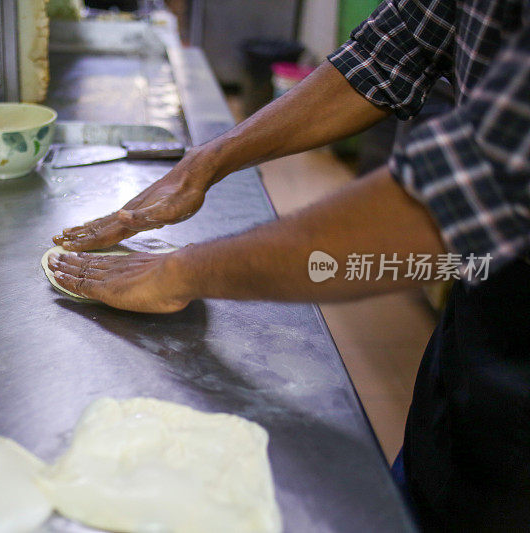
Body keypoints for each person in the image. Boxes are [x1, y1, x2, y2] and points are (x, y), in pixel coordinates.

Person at [47, 0, 530, 529]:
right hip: (480, 306)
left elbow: (449, 201)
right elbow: (387, 52)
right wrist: (204, 162)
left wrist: (178, 271)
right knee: (424, 488)